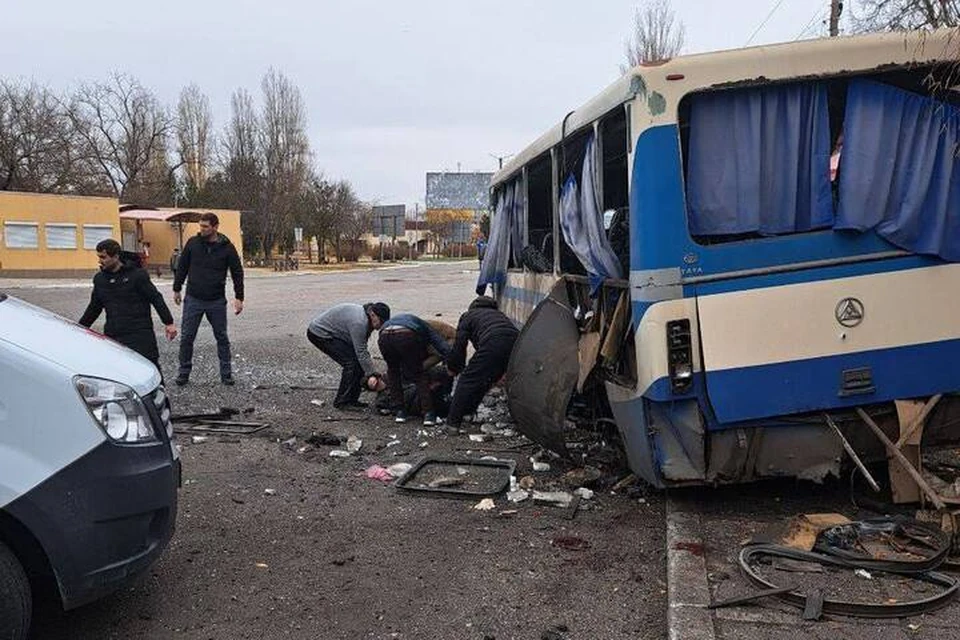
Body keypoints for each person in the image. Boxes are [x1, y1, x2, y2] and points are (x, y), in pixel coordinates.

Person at [79, 239, 178, 373]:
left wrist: (169, 322)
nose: (100, 261)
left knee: (150, 368)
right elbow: (94, 307)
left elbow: (155, 298)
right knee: (119, 372)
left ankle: (160, 394)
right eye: (99, 257)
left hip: (140, 334)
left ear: (115, 256)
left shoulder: (137, 275)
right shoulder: (100, 279)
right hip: (114, 334)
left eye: (103, 257)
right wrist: (80, 328)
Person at [171, 212, 244, 386]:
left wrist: (239, 297)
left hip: (216, 301)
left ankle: (226, 374)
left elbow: (237, 272)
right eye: (201, 226)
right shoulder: (192, 244)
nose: (202, 229)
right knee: (187, 337)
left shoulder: (227, 247)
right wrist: (177, 288)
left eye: (205, 226)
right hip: (194, 299)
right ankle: (183, 373)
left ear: (215, 227)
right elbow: (182, 267)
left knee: (222, 337)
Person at [445, 296, 519, 434]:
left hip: (494, 342)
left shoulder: (468, 316)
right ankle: (468, 413)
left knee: (467, 380)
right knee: (486, 380)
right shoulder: (499, 315)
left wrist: (455, 367)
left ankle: (452, 423)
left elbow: (460, 345)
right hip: (518, 344)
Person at [307, 302, 391, 410]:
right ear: (373, 315)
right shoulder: (359, 323)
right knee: (350, 364)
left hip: (336, 333)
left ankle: (352, 399)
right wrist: (372, 374)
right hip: (320, 333)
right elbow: (361, 351)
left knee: (358, 363)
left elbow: (361, 351)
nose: (381, 325)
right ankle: (342, 402)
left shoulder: (366, 318)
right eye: (381, 321)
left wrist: (368, 370)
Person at [377, 314, 452, 426]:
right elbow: (442, 346)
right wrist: (454, 361)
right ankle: (428, 414)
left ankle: (399, 412)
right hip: (405, 335)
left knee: (393, 373)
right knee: (419, 374)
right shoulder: (426, 327)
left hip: (384, 336)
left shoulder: (409, 321)